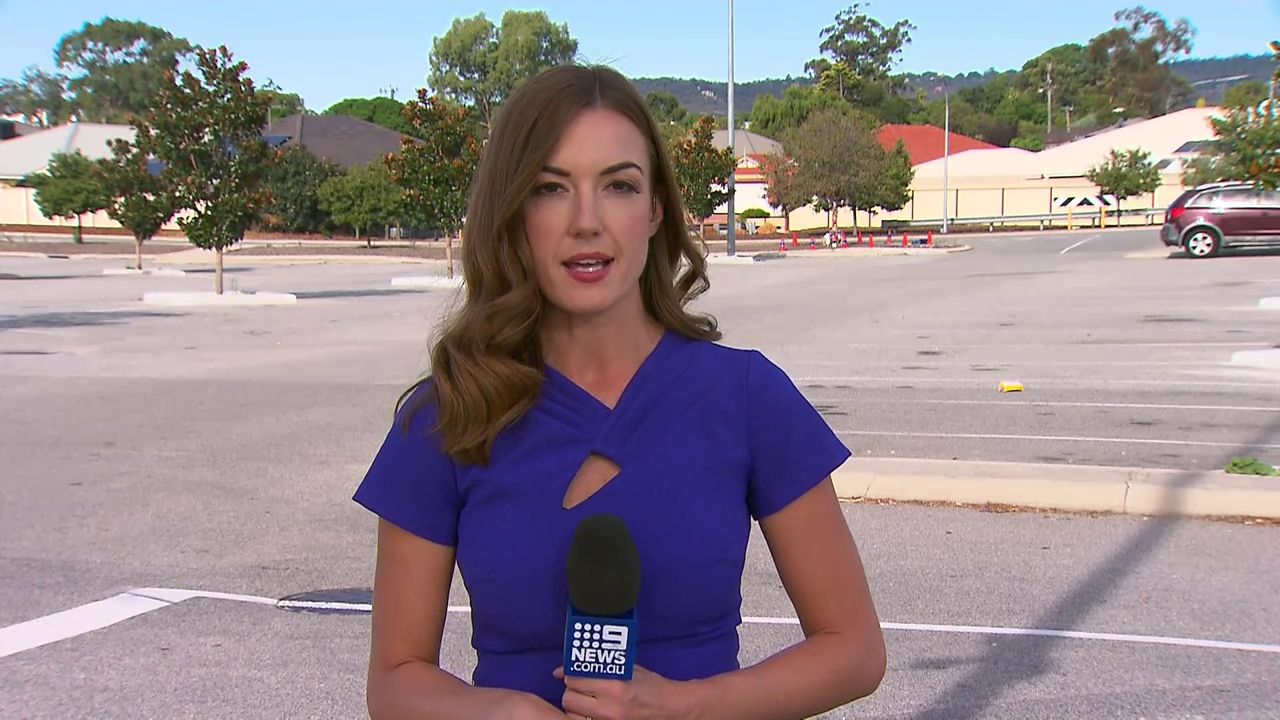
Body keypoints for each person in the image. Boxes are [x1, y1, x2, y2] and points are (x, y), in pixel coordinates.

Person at [352, 64, 886, 720]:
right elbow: (396, 681)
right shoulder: (448, 413)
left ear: (656, 208)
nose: (587, 221)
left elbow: (853, 650)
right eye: (550, 188)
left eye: (619, 186)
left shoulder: (747, 397)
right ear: (513, 211)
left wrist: (686, 707)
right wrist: (509, 714)